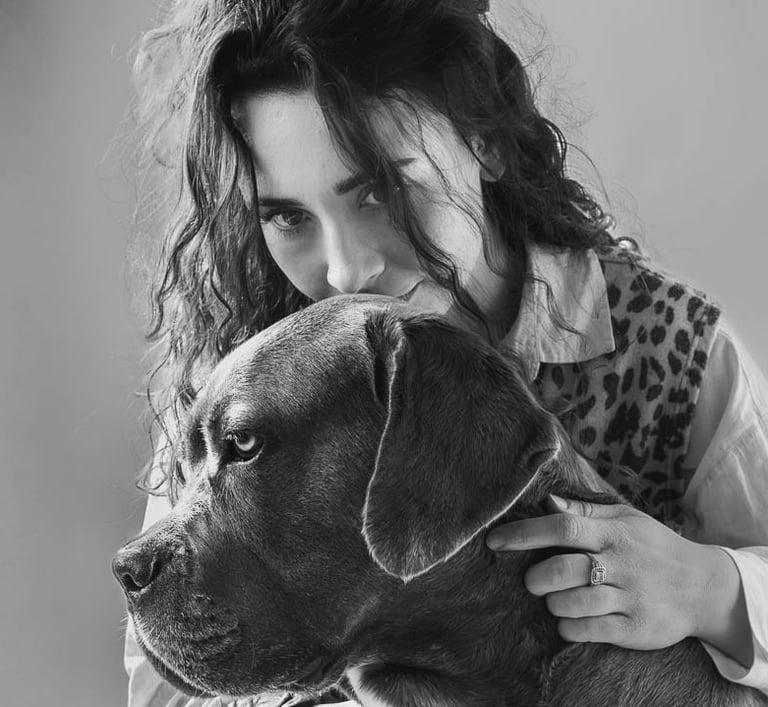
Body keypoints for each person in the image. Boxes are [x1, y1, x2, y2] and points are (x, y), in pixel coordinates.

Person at [122, 0, 768, 704]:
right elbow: (161, 686)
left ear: (483, 135)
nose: (344, 268)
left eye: (378, 190)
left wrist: (716, 588)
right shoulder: (231, 377)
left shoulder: (674, 350)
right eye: (286, 217)